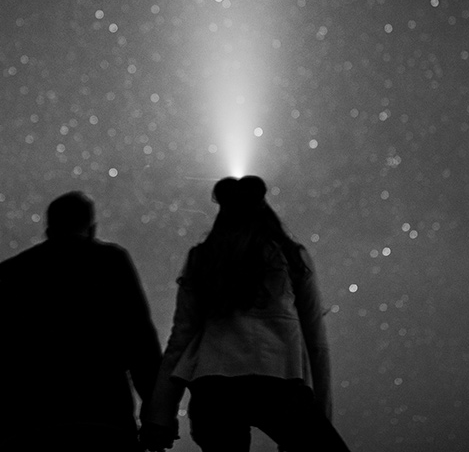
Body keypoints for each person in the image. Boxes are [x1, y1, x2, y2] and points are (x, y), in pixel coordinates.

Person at [140, 176, 349, 451]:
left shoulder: (202, 259)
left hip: (212, 389)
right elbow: (317, 345)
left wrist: (160, 417)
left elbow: (179, 341)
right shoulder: (292, 258)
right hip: (278, 384)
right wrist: (321, 413)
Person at [0, 190, 162, 451]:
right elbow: (140, 341)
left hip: (28, 428)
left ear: (48, 229)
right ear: (92, 227)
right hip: (104, 419)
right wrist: (157, 414)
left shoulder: (15, 276)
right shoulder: (110, 263)